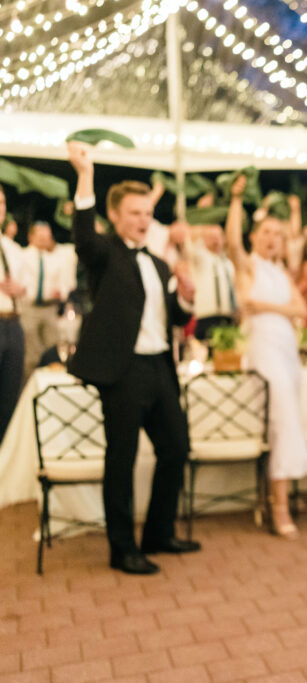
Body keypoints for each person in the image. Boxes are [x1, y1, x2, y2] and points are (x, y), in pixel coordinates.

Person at [66, 142, 200, 575]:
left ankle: (158, 533)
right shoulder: (104, 253)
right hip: (122, 371)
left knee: (176, 447)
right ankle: (122, 548)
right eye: (136, 213)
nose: (144, 220)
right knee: (121, 459)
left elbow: (173, 317)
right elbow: (83, 234)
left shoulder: (159, 265)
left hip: (160, 367)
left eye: (148, 213)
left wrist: (185, 297)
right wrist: (85, 173)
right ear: (117, 217)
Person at [225, 176, 307, 539]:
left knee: (288, 417)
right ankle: (280, 506)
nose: (271, 238)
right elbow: (231, 240)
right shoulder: (247, 267)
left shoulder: (280, 272)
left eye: (277, 234)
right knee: (283, 421)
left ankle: (276, 495)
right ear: (254, 236)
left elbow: (302, 308)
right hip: (263, 348)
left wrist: (263, 305)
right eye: (265, 232)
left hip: (287, 351)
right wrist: (235, 199)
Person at [21, 221, 77, 380]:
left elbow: (65, 282)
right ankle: (28, 386)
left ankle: (50, 384)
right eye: (40, 236)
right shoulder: (23, 256)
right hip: (29, 308)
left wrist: (62, 292)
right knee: (30, 352)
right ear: (31, 237)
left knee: (52, 348)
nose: (44, 240)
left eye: (47, 237)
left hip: (50, 308)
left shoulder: (56, 259)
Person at [0, 186, 26, 439]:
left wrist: (20, 289)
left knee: (9, 397)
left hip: (13, 323)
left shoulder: (12, 249)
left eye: (2, 202)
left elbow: (26, 284)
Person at [189, 224, 237, 341]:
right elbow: (191, 237)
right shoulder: (199, 257)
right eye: (211, 237)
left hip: (227, 317)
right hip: (205, 317)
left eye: (218, 236)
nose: (215, 240)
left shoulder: (228, 264)